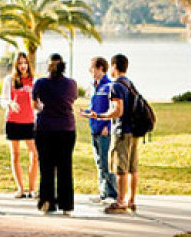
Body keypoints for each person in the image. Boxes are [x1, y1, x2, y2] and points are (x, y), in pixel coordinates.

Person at [89, 53, 140, 214]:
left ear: (114, 67)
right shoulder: (129, 83)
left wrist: (101, 116)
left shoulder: (116, 86)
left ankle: (120, 201)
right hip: (134, 131)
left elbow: (118, 110)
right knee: (133, 168)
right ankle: (131, 200)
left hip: (122, 131)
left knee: (120, 168)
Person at [31, 53, 78, 215]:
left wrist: (44, 107)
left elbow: (34, 103)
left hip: (45, 128)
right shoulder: (71, 84)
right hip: (66, 129)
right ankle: (66, 205)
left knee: (46, 167)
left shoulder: (41, 83)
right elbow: (72, 100)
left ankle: (47, 201)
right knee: (65, 167)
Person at [0, 52, 38, 198]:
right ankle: (20, 189)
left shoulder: (34, 81)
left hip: (29, 122)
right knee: (15, 155)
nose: (23, 66)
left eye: (25, 63)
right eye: (20, 63)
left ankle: (32, 189)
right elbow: (3, 99)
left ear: (28, 63)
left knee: (34, 155)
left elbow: (38, 101)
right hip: (13, 121)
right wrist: (10, 103)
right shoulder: (9, 80)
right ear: (16, 65)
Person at [81, 56, 118, 204]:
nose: (91, 71)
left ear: (101, 68)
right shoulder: (94, 86)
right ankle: (103, 193)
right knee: (98, 162)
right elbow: (95, 107)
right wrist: (87, 113)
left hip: (104, 131)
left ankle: (113, 194)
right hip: (94, 128)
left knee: (105, 162)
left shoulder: (109, 86)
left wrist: (107, 127)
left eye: (93, 68)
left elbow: (113, 109)